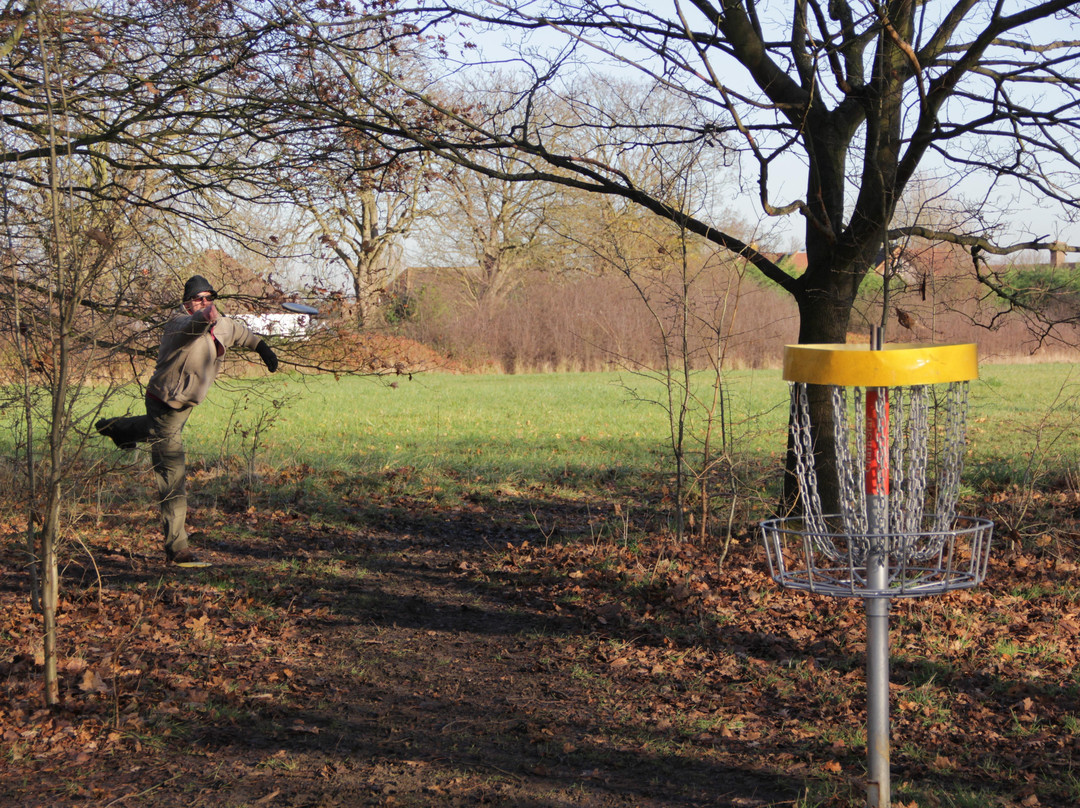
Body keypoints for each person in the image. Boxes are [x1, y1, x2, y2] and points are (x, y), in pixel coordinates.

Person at [96, 275, 279, 565]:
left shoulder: (223, 324)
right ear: (187, 302)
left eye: (209, 298)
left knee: (156, 432)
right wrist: (204, 316)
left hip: (184, 404)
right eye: (198, 299)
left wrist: (263, 349)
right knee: (173, 473)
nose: (204, 303)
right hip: (163, 400)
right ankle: (177, 547)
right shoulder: (177, 324)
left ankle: (118, 429)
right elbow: (192, 325)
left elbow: (242, 333)